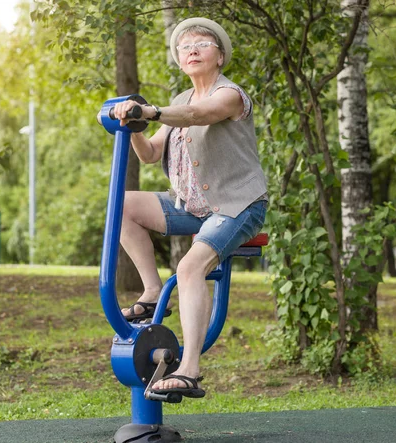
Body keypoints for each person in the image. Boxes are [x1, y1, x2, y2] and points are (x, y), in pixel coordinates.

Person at [112, 17, 268, 398]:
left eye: (202, 43)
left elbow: (201, 116)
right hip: (193, 205)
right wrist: (135, 128)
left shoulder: (230, 95)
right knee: (123, 205)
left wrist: (150, 112)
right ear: (179, 60)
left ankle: (190, 369)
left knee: (189, 267)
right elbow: (150, 155)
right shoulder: (180, 100)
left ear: (220, 56)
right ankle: (151, 292)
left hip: (237, 206)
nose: (192, 50)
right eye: (184, 46)